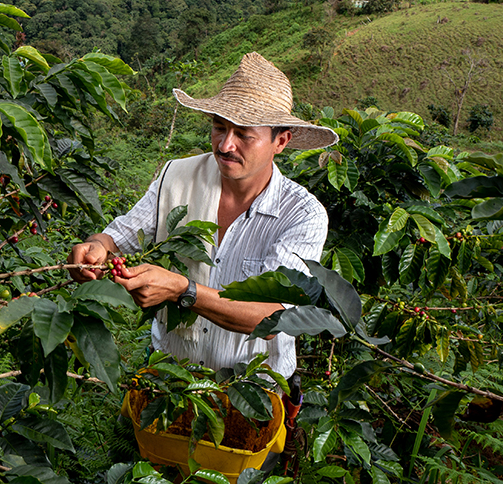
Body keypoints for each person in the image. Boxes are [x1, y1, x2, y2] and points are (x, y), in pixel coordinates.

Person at [69, 53, 338, 377]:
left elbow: (273, 318)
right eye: (219, 128)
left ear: (280, 141)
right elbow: (119, 237)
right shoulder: (177, 177)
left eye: (244, 135)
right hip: (170, 381)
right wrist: (96, 247)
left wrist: (184, 290)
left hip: (253, 391)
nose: (225, 145)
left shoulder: (302, 215)